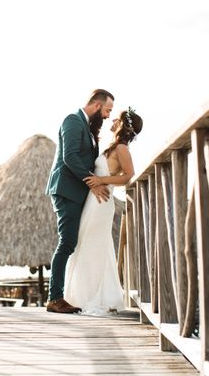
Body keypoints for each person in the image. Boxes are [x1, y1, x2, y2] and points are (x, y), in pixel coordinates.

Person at [63, 107, 143, 315]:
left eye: (117, 118)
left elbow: (128, 175)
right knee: (86, 244)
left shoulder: (122, 148)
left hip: (102, 201)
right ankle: (85, 295)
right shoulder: (112, 147)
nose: (112, 119)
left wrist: (101, 180)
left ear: (123, 124)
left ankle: (90, 297)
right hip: (94, 200)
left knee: (92, 246)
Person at [45, 89, 114, 313]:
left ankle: (69, 294)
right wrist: (93, 182)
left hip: (77, 191)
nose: (107, 116)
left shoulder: (88, 127)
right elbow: (70, 157)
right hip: (66, 190)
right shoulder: (72, 121)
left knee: (71, 242)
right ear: (96, 105)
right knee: (67, 242)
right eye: (107, 110)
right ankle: (54, 298)